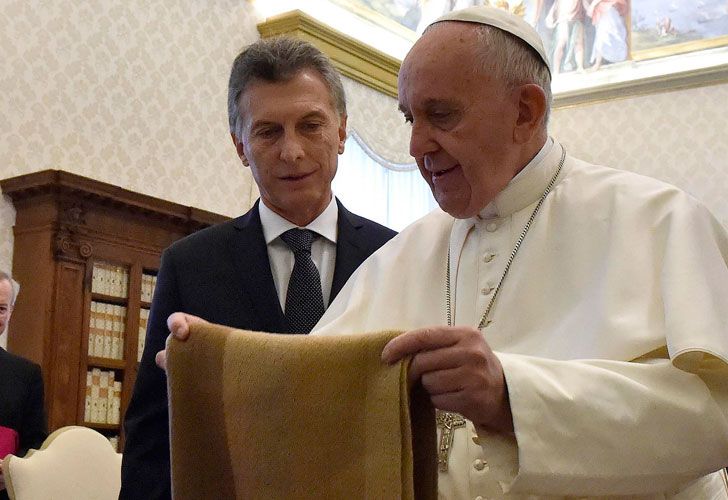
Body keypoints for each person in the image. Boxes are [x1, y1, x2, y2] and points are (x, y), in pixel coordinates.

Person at [161, 6, 728, 498]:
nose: (415, 146)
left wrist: (512, 395)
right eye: (410, 118)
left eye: (441, 115)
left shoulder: (658, 221)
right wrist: (219, 371)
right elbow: (318, 398)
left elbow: (716, 415)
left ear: (525, 112)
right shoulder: (402, 256)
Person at [119, 37, 396, 499]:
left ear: (342, 131)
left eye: (310, 126)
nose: (292, 151)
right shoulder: (191, 266)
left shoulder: (392, 257)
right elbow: (152, 436)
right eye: (268, 132)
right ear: (240, 145)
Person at [0, 271, 48, 500]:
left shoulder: (26, 375)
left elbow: (35, 445)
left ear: (10, 312)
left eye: (1, 309)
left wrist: (12, 470)